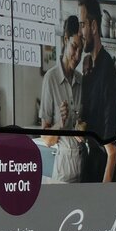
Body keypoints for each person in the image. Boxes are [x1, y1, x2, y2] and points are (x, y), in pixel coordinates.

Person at [78, 0, 116, 182]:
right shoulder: (88, 65)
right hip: (90, 161)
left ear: (94, 26)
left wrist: (106, 188)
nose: (80, 33)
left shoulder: (107, 67)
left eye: (82, 25)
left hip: (104, 169)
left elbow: (109, 139)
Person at [40, 15, 83, 182]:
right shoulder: (50, 79)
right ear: (66, 40)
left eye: (81, 50)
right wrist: (61, 124)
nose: (77, 56)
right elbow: (46, 139)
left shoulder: (81, 80)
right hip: (64, 174)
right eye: (74, 47)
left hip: (85, 170)